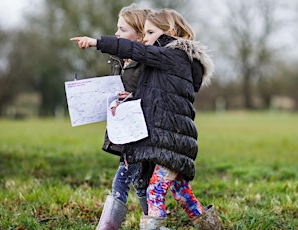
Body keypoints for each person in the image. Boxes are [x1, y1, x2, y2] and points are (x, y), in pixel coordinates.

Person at [70, 8, 221, 229]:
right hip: (171, 140)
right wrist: (133, 96)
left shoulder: (173, 55)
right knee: (180, 192)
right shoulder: (165, 63)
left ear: (168, 32)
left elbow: (134, 49)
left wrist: (97, 42)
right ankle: (211, 226)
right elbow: (159, 97)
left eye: (150, 33)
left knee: (155, 190)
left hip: (172, 141)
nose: (145, 39)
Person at [95, 5, 153, 230]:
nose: (117, 34)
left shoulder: (147, 65)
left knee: (123, 180)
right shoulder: (119, 60)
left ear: (139, 35)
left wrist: (132, 97)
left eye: (123, 29)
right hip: (126, 131)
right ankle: (154, 221)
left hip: (141, 133)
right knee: (141, 184)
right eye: (117, 29)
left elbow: (152, 95)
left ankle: (108, 226)